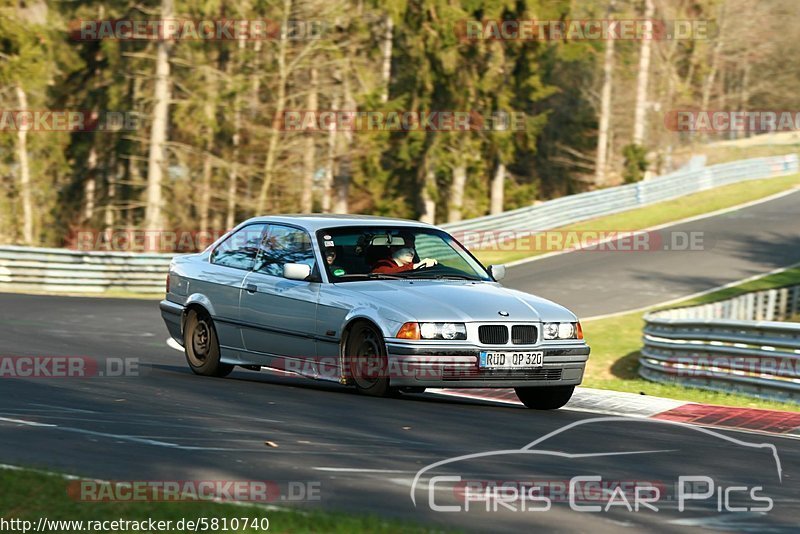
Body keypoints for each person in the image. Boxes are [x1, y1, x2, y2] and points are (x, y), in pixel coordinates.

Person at [371, 246, 437, 274]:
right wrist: (414, 267)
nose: (412, 252)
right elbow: (384, 274)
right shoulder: (382, 265)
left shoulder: (412, 265)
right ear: (393, 249)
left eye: (412, 248)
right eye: (407, 248)